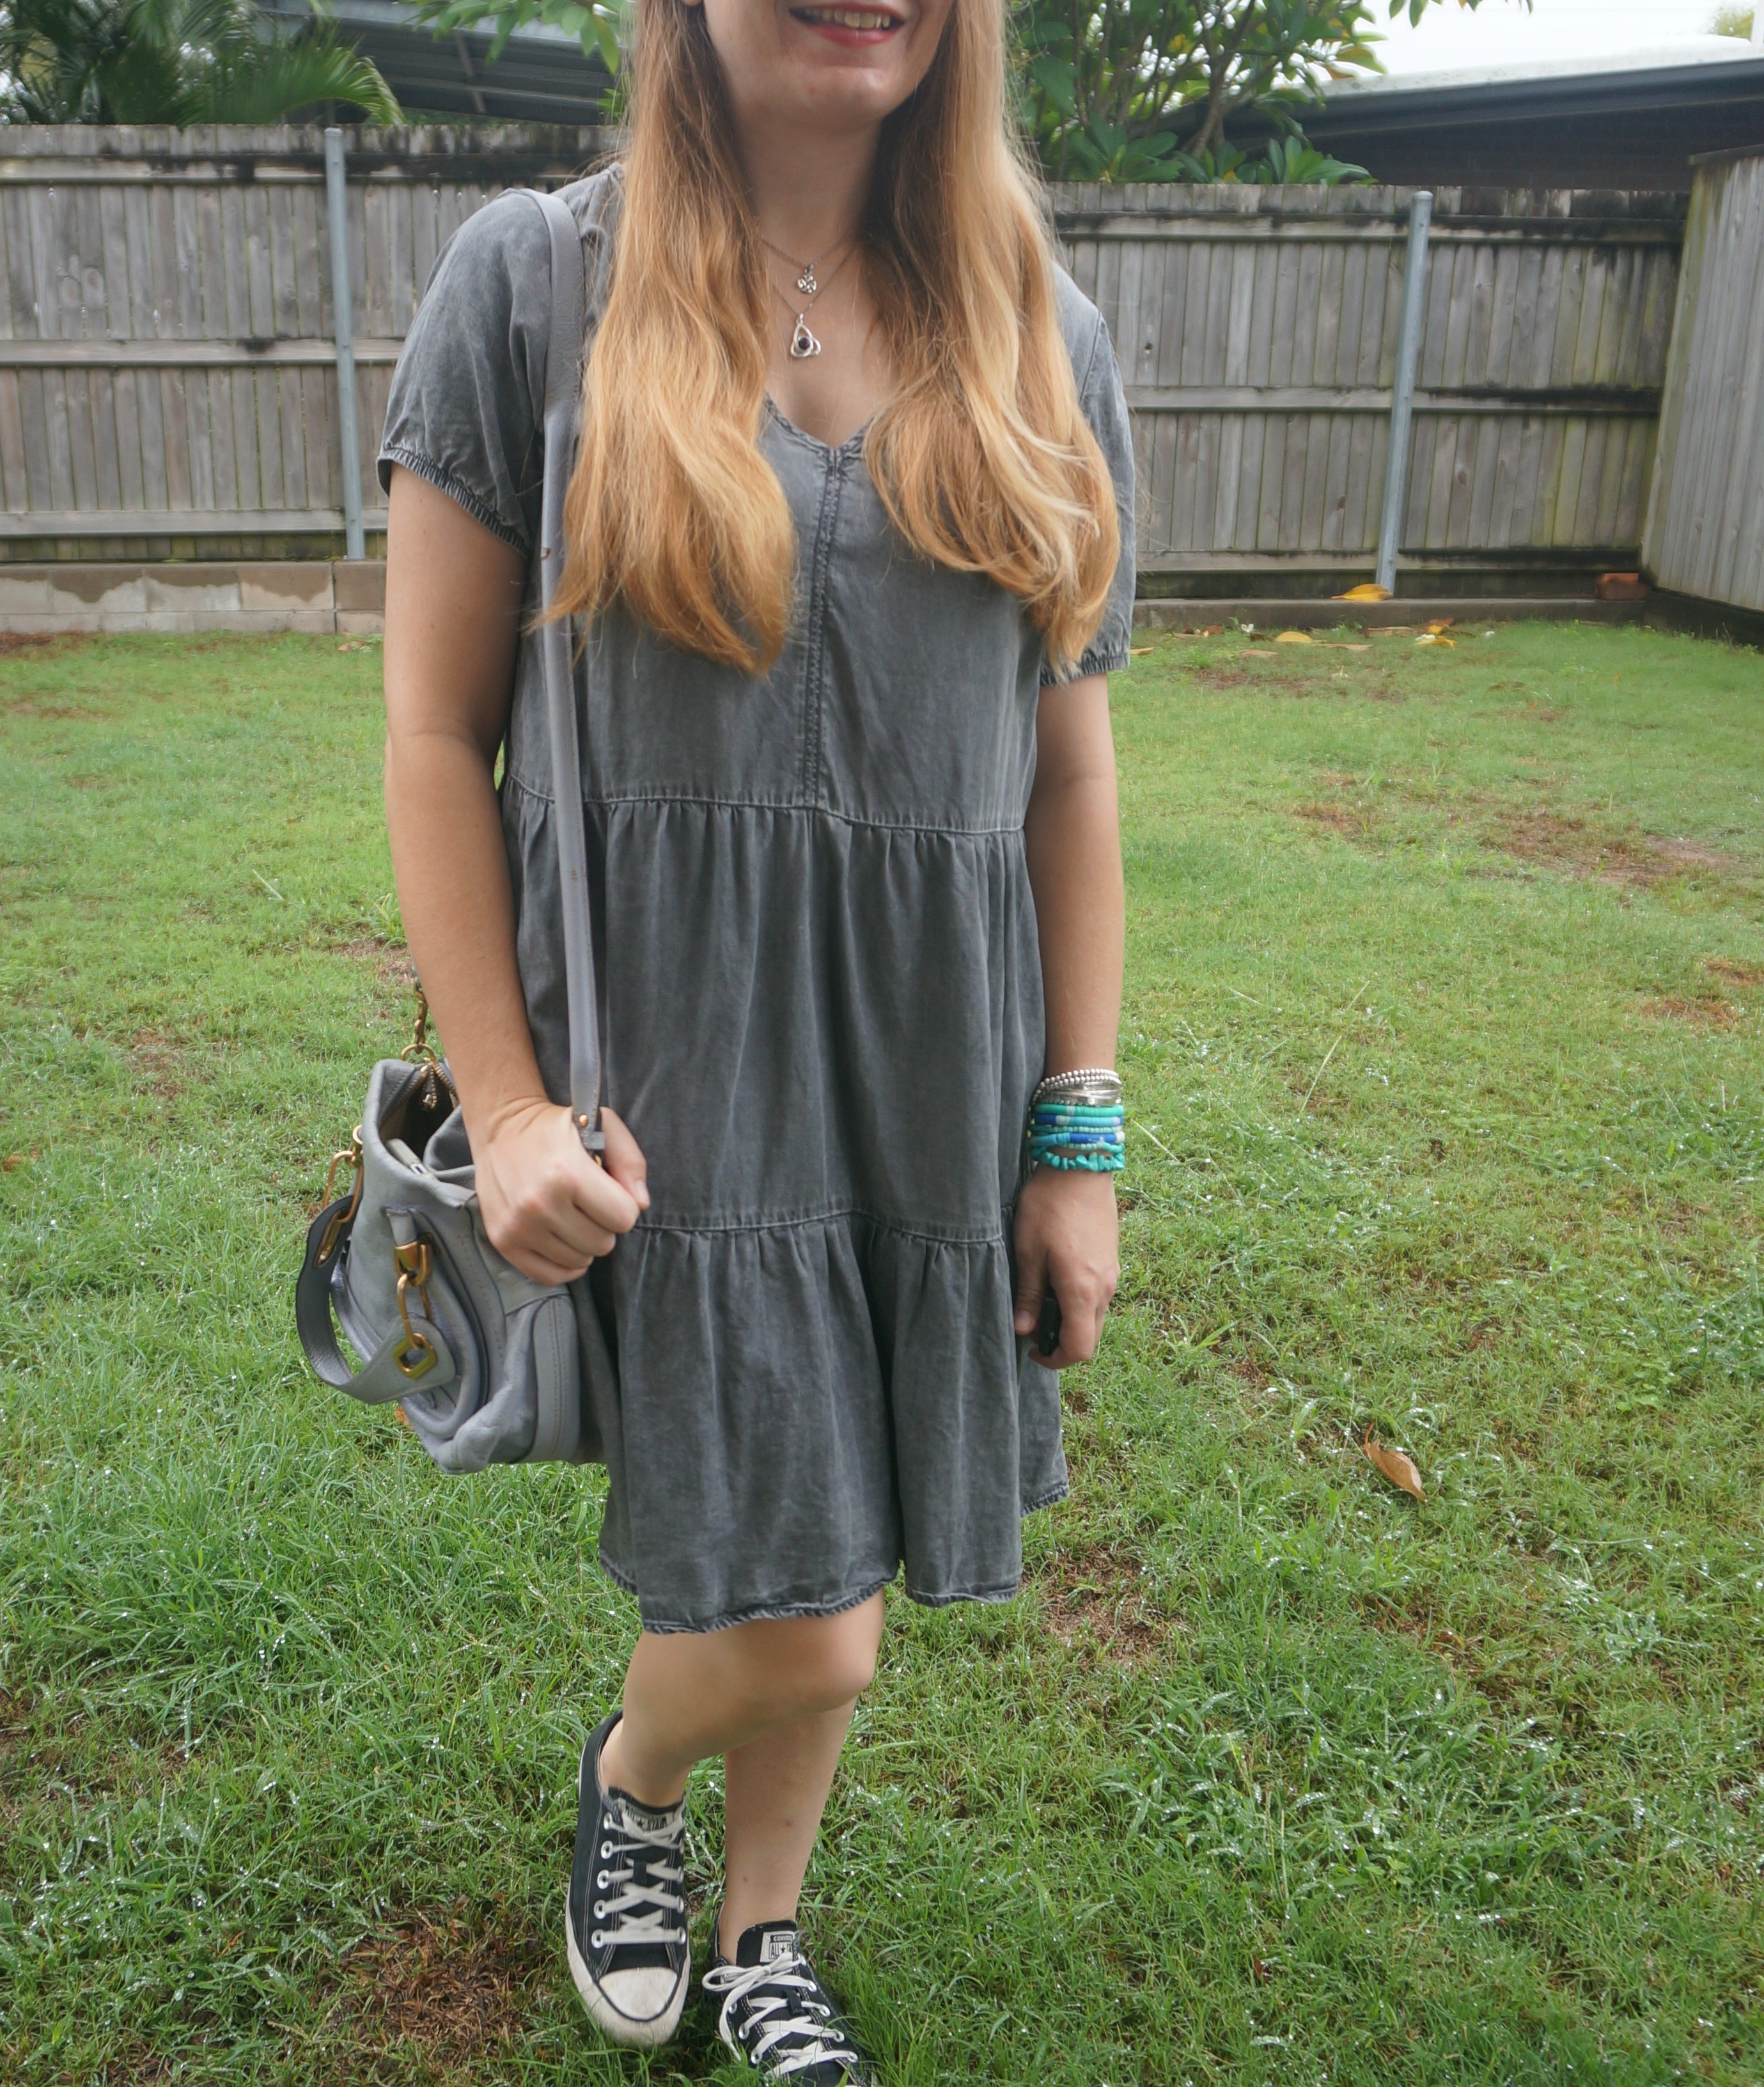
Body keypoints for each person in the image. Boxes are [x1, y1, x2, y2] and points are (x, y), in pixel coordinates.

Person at [377, 0, 1135, 2067]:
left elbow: (1070, 780)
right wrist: (512, 1104)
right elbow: (439, 739)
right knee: (818, 1611)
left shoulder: (1043, 334)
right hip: (682, 1093)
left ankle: (759, 1931)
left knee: (847, 1524)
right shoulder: (533, 285)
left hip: (927, 1088)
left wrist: (1080, 1133)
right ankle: (636, 1779)